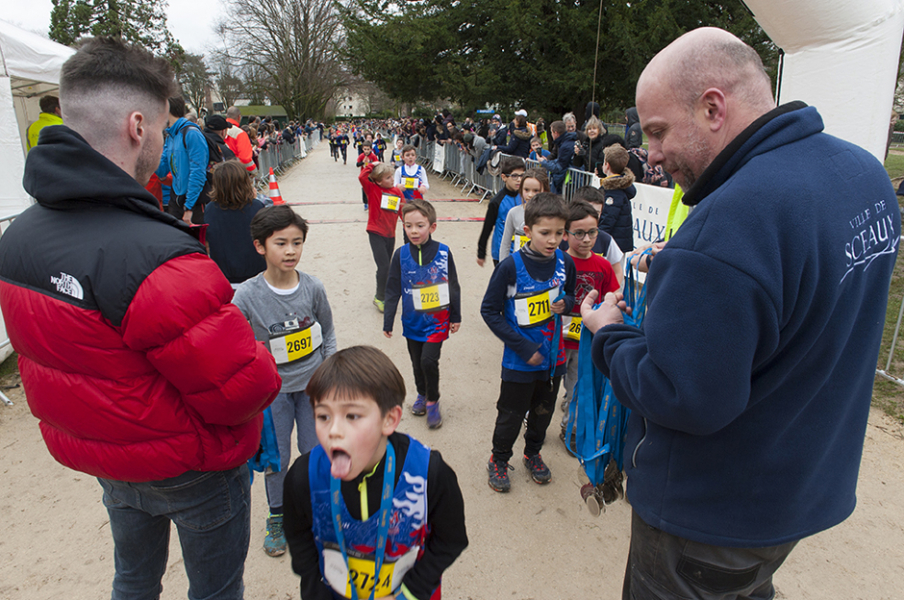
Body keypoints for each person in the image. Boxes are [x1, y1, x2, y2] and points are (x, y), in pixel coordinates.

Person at [578, 27, 900, 600]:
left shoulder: (728, 228)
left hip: (708, 514)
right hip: (798, 488)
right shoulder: (863, 174)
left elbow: (683, 396)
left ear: (712, 108)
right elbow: (799, 298)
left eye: (656, 131)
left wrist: (608, 334)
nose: (648, 155)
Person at [0, 37, 281, 599]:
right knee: (217, 590)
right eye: (159, 127)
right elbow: (244, 388)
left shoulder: (19, 236)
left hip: (106, 454)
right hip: (189, 465)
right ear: (137, 126)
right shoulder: (155, 256)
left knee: (132, 579)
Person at [282, 345, 468, 600]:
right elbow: (298, 536)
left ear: (389, 419)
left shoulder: (429, 474)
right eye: (323, 416)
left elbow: (451, 540)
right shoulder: (304, 477)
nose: (334, 430)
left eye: (352, 415)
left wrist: (410, 593)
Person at [232, 205, 337, 557]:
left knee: (313, 454)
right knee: (276, 460)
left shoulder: (313, 288)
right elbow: (234, 345)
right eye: (281, 243)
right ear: (260, 246)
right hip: (271, 395)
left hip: (311, 389)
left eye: (297, 242)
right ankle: (277, 516)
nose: (291, 251)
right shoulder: (245, 297)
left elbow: (329, 331)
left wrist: (330, 374)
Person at [480, 192, 576, 493]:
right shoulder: (509, 267)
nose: (553, 240)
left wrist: (567, 304)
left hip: (553, 359)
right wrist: (522, 346)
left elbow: (571, 296)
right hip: (519, 362)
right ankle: (498, 459)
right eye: (545, 233)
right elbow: (489, 311)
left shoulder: (565, 262)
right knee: (510, 414)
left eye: (559, 233)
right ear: (528, 231)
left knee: (542, 414)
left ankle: (532, 453)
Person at [383, 199, 462, 429]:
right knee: (417, 362)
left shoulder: (444, 253)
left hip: (437, 322)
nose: (414, 231)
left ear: (432, 226)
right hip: (412, 321)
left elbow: (453, 286)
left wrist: (456, 316)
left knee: (429, 361)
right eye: (408, 226)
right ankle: (421, 393)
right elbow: (392, 288)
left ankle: (433, 400)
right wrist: (389, 319)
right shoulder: (400, 254)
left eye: (420, 225)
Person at [558, 200, 619, 440]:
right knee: (546, 389)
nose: (586, 239)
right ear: (565, 234)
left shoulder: (603, 265)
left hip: (584, 341)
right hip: (556, 340)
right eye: (579, 233)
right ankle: (535, 425)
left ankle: (570, 429)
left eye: (592, 233)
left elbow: (611, 296)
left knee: (578, 390)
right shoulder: (557, 262)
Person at [204, 160, 266, 286]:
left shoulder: (210, 209)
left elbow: (208, 242)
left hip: (225, 275)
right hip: (256, 273)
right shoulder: (256, 207)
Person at [359, 162, 405, 312]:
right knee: (384, 266)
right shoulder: (373, 189)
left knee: (387, 267)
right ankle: (380, 297)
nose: (392, 179)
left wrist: (410, 227)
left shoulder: (397, 192)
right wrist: (373, 164)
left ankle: (383, 294)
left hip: (390, 234)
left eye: (392, 176)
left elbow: (403, 211)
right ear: (378, 181)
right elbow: (362, 176)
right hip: (375, 233)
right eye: (387, 177)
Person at [157, 96, 209, 224]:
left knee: (196, 242)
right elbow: (161, 171)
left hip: (193, 202)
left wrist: (189, 207)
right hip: (176, 199)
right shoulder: (170, 135)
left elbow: (198, 172)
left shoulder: (191, 134)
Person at [475, 157, 525, 267]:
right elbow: (487, 228)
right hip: (502, 254)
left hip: (522, 251)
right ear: (504, 177)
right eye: (514, 176)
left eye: (522, 175)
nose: (519, 179)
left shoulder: (526, 197)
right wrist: (481, 252)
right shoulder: (497, 201)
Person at [499, 169, 549, 262]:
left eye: (536, 190)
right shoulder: (513, 213)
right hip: (519, 266)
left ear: (544, 191)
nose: (530, 195)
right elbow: (505, 244)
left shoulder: (550, 216)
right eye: (526, 190)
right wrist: (502, 268)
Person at [598, 144, 636, 252]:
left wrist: (597, 239)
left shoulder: (613, 191)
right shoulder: (617, 187)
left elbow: (608, 219)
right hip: (617, 242)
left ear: (607, 165)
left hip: (613, 244)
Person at [539, 120, 576, 194]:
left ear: (555, 133)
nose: (551, 134)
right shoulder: (562, 142)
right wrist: (547, 161)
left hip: (568, 181)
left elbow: (559, 167)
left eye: (551, 132)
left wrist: (543, 162)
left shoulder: (565, 145)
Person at [225, 106, 259, 175]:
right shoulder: (240, 133)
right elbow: (245, 158)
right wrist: (254, 171)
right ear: (239, 117)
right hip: (237, 172)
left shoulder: (219, 131)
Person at [357, 141, 378, 210]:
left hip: (371, 175)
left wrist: (370, 163)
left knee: (372, 189)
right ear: (362, 149)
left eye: (368, 149)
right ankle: (365, 203)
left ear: (371, 149)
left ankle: (372, 202)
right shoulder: (361, 156)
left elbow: (377, 164)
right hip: (364, 175)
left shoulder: (373, 156)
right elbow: (357, 164)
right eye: (365, 149)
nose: (366, 151)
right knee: (364, 189)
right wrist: (363, 162)